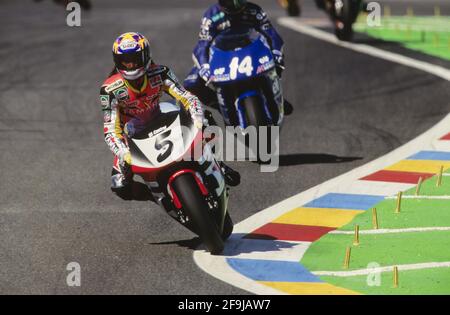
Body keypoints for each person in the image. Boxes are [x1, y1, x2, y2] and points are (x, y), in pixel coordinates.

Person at [100, 32, 240, 199]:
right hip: (132, 136)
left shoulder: (161, 73)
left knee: (206, 118)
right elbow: (110, 129)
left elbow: (187, 97)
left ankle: (218, 164)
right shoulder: (109, 90)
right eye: (125, 60)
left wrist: (197, 118)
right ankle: (158, 197)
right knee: (119, 185)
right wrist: (124, 153)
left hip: (161, 119)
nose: (130, 64)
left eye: (135, 59)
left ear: (145, 56)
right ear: (117, 61)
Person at [184, 0, 292, 115]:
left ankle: (272, 96)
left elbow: (272, 35)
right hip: (222, 55)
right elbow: (202, 46)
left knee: (276, 63)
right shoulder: (211, 16)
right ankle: (220, 103)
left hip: (250, 50)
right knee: (191, 83)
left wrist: (276, 53)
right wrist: (204, 67)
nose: (235, 4)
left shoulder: (254, 10)